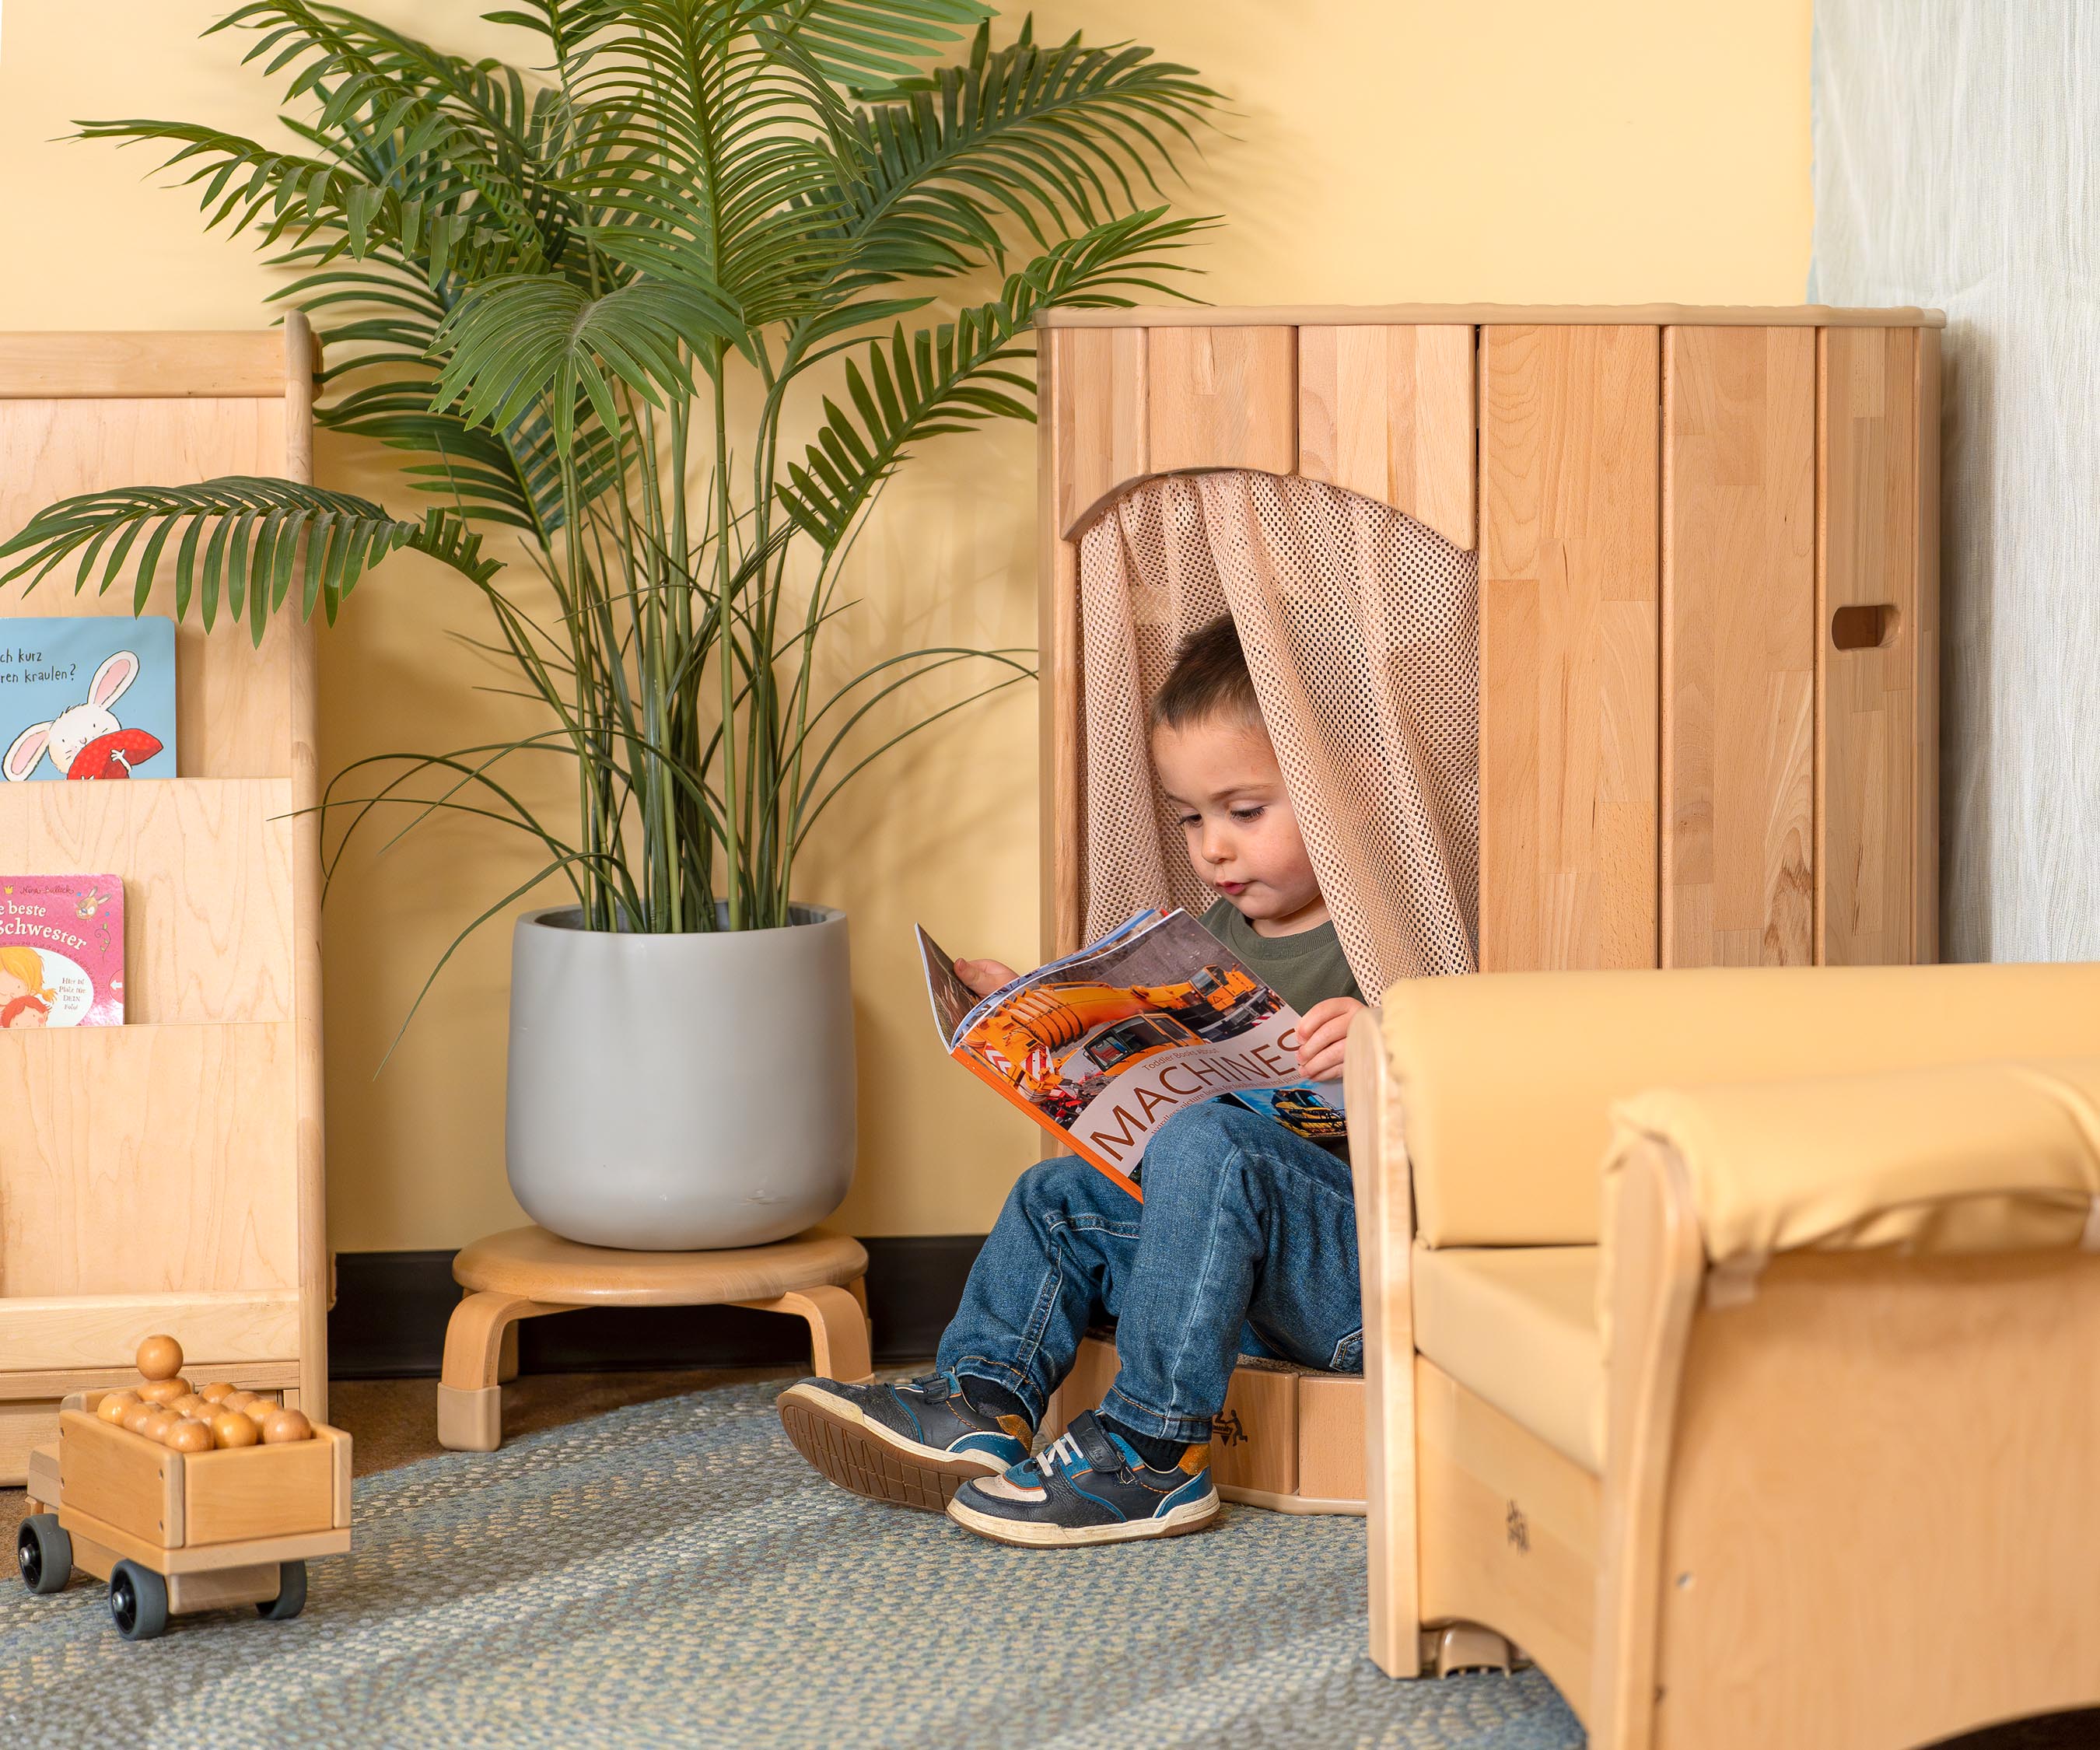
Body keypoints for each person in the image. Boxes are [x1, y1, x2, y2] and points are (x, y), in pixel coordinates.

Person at [778, 614, 1367, 1546]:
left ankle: (1152, 1452)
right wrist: (1045, 1023)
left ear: (1337, 788)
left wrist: (1384, 1045)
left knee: (1213, 1143)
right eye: (1193, 818)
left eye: (1244, 812)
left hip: (1352, 1288)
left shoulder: (1386, 931)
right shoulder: (1214, 942)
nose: (1213, 846)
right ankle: (982, 1399)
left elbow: (1473, 1098)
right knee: (1057, 1193)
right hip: (1239, 1280)